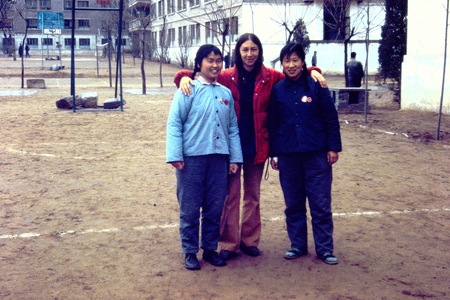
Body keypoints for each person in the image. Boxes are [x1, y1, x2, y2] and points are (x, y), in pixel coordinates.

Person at [174, 33, 327, 262]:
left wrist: (314, 70)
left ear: (259, 51)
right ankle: (229, 242)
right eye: (244, 49)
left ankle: (249, 240)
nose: (249, 54)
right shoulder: (226, 76)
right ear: (238, 51)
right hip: (229, 145)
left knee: (252, 196)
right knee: (230, 196)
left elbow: (294, 71)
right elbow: (204, 75)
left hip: (258, 144)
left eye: (253, 49)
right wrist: (183, 76)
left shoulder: (271, 76)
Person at [166, 44, 243, 271]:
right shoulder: (187, 90)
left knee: (214, 207)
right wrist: (175, 155)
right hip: (192, 159)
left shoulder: (225, 93)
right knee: (190, 208)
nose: (215, 65)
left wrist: (235, 159)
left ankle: (209, 249)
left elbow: (232, 129)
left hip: (219, 159)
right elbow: (174, 123)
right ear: (199, 63)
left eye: (218, 60)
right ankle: (190, 251)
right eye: (210, 60)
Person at [268, 43, 342, 265]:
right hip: (288, 157)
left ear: (303, 62)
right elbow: (273, 124)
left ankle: (325, 249)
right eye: (287, 60)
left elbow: (330, 117)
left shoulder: (316, 86)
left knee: (320, 205)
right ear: (282, 63)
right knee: (293, 204)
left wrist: (333, 148)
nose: (291, 65)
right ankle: (297, 245)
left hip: (317, 156)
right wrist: (274, 153)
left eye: (295, 60)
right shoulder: (277, 89)